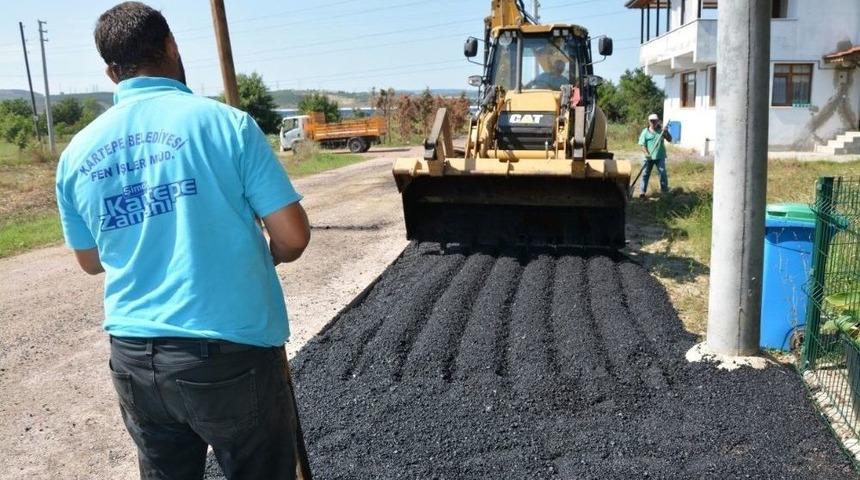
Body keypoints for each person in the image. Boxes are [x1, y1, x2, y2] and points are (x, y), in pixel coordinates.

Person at [54, 2, 311, 478]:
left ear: (111, 72)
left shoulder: (75, 154)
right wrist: (262, 256)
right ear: (171, 46)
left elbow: (89, 261)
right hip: (230, 354)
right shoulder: (227, 125)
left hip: (133, 358)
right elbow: (293, 237)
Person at [638, 113, 673, 197]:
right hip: (648, 158)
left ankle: (664, 191)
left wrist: (666, 132)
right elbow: (642, 145)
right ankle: (642, 192)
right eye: (652, 121)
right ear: (649, 121)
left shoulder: (661, 131)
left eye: (655, 121)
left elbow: (669, 139)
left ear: (657, 121)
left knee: (662, 173)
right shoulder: (645, 132)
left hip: (660, 156)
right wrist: (647, 154)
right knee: (645, 174)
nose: (653, 122)